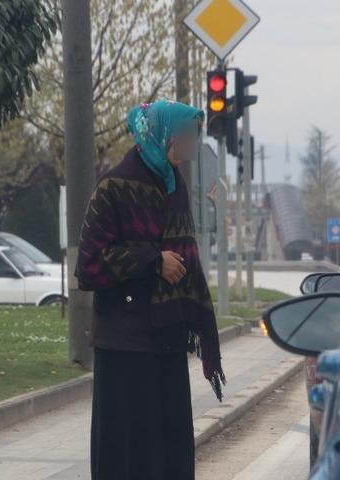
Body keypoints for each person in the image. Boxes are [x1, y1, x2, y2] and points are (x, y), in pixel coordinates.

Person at [76, 99, 225, 480]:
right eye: (188, 136)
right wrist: (152, 261)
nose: (193, 145)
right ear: (162, 137)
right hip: (125, 347)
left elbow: (187, 256)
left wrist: (200, 323)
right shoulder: (114, 186)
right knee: (129, 455)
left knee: (170, 452)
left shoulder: (174, 185)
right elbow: (89, 265)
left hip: (167, 339)